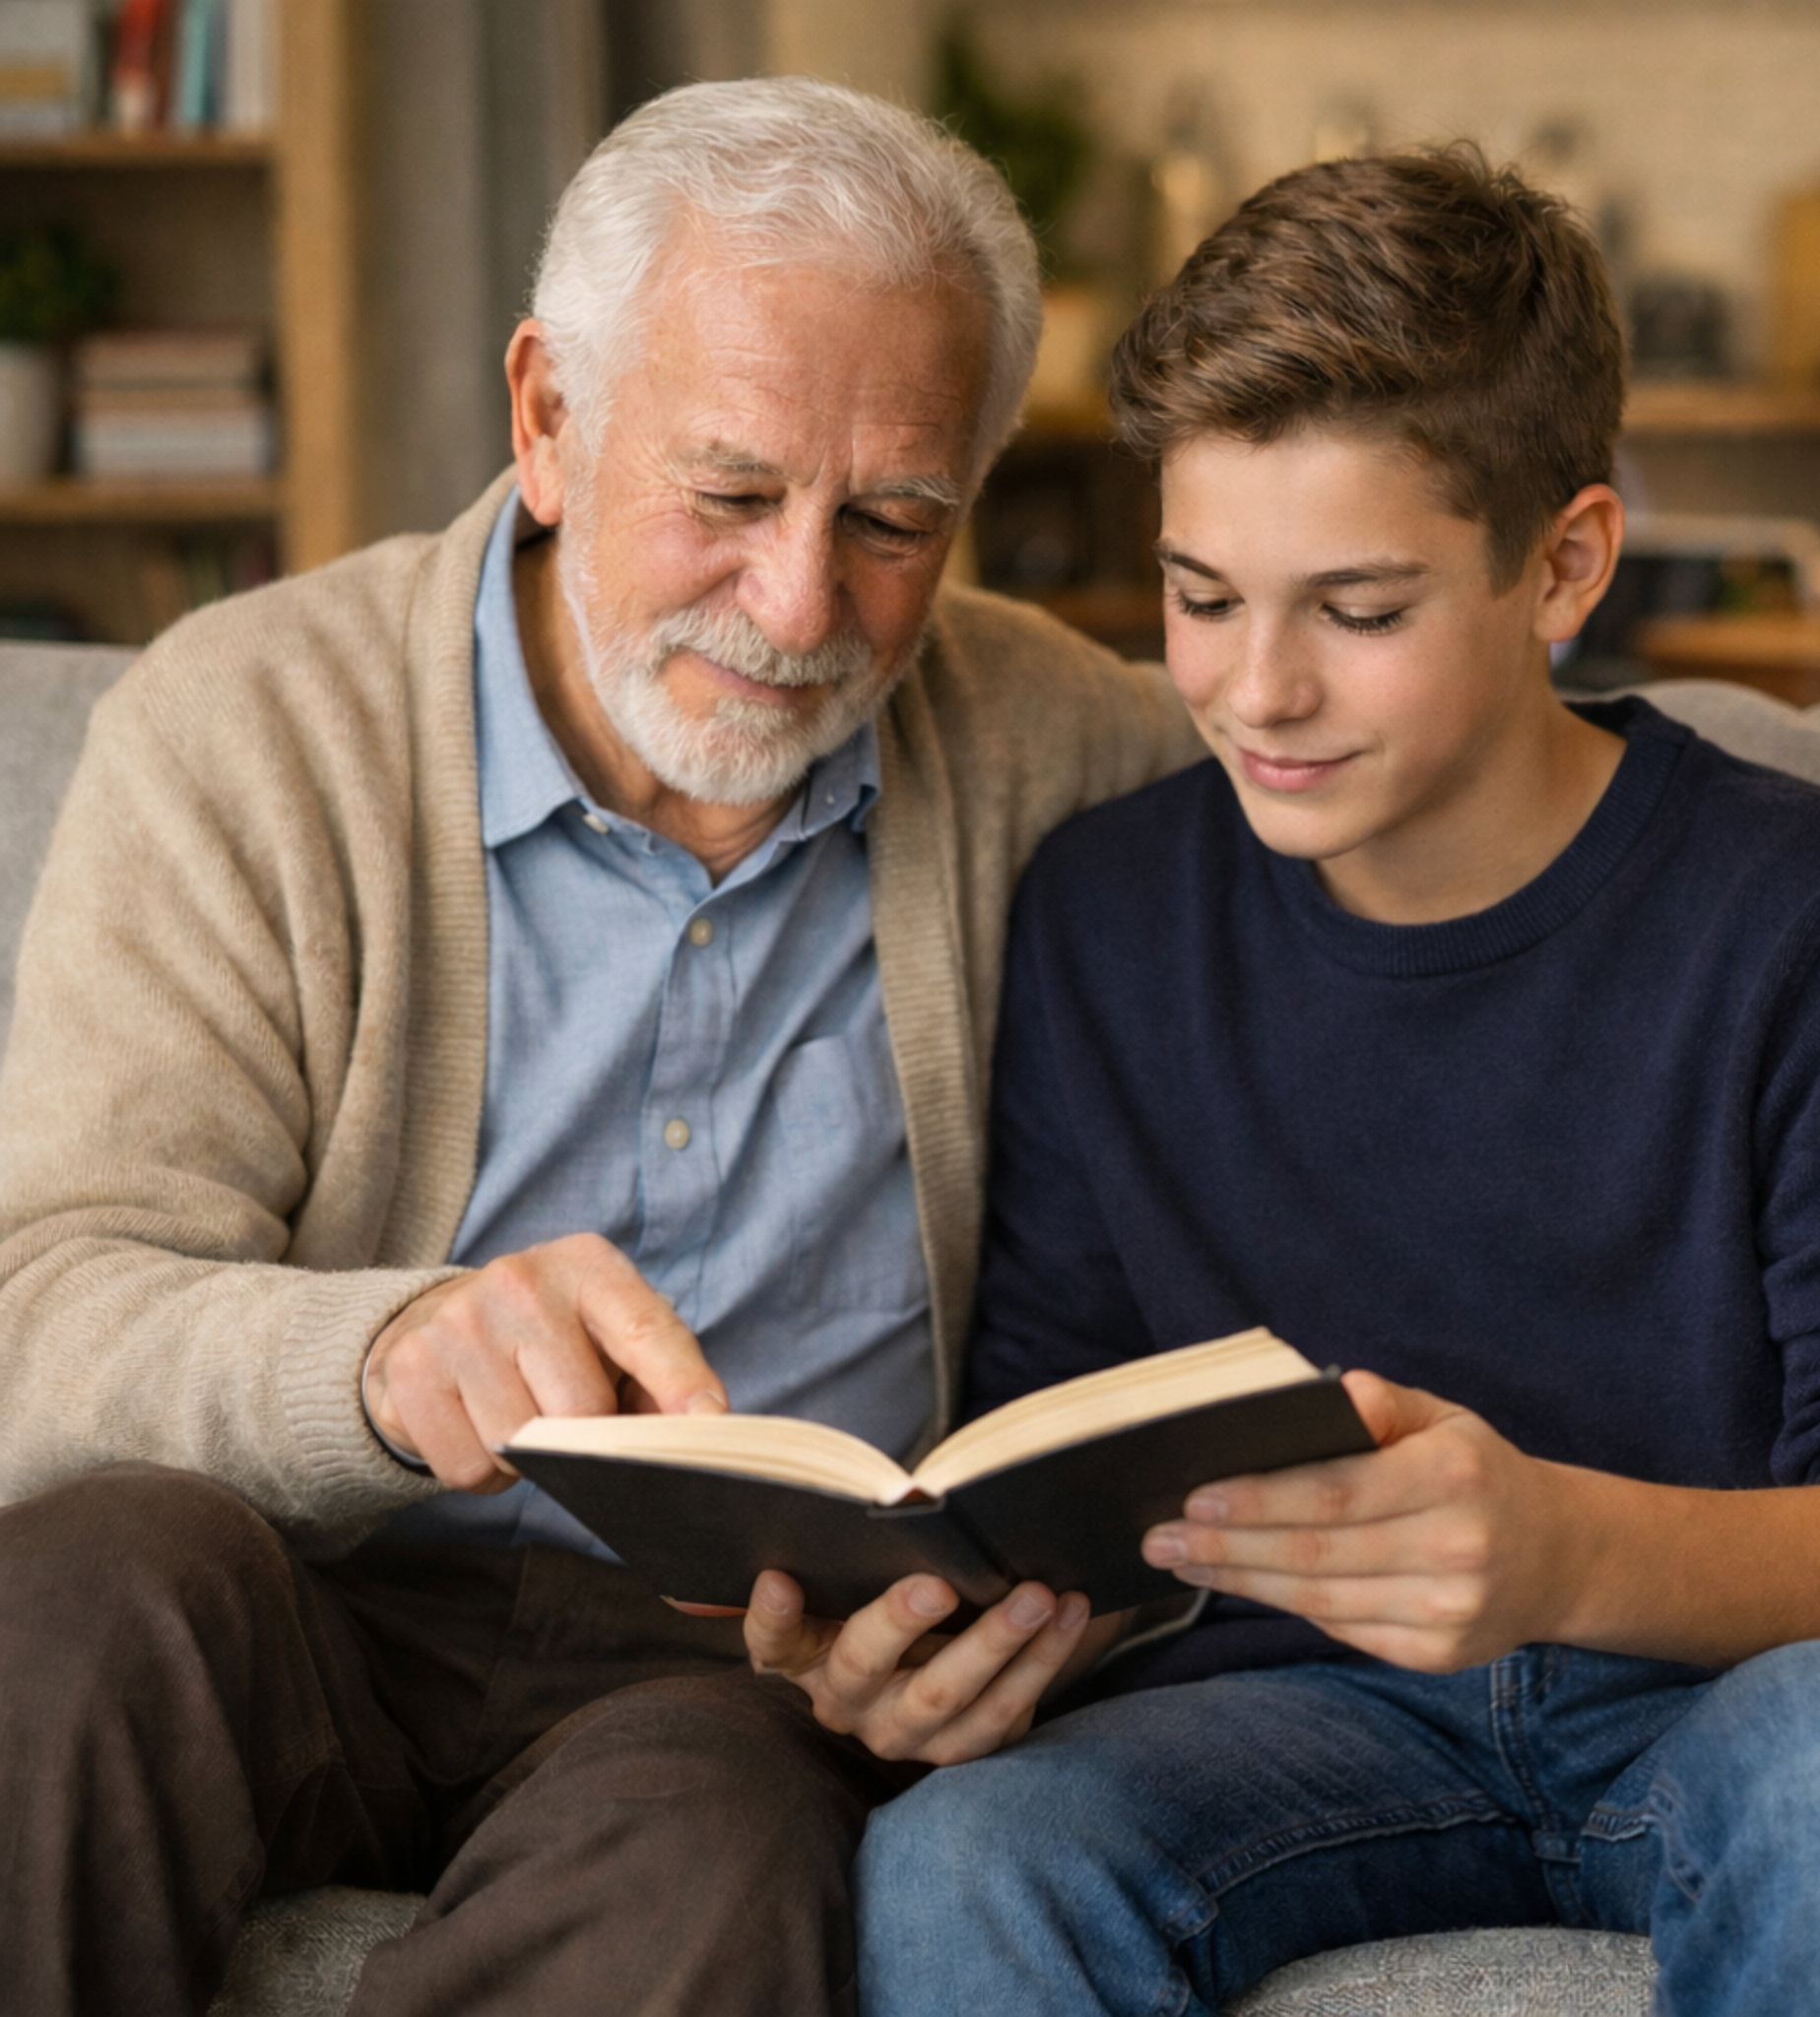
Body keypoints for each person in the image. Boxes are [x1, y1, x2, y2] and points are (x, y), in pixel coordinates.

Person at [0, 78, 1197, 2017]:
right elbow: (36, 1321)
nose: (801, 605)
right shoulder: (248, 726)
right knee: (70, 1603)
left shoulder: (1082, 756)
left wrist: (1032, 1610)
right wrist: (384, 1354)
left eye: (892, 521)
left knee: (721, 1853)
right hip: (308, 1590)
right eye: (728, 494)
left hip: (728, 1675)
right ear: (546, 417)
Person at [844, 149, 1820, 2015]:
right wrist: (963, 1635)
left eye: (1359, 612)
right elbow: (1051, 1433)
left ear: (1565, 565)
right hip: (1280, 1719)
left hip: (1736, 1699)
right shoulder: (1104, 914)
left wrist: (1567, 1550)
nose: (1256, 692)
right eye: (1202, 596)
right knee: (968, 1854)